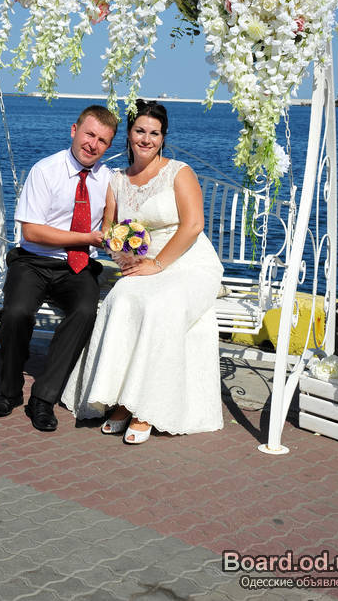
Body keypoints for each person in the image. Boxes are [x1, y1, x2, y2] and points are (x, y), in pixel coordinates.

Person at [62, 100, 224, 444]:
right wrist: (121, 253)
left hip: (188, 262)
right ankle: (119, 399)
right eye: (140, 131)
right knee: (120, 298)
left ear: (163, 138)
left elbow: (194, 225)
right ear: (129, 134)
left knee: (159, 306)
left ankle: (145, 408)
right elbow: (109, 229)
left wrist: (158, 264)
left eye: (155, 133)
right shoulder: (117, 180)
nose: (147, 139)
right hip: (144, 264)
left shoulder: (179, 172)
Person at [0, 105, 118, 432]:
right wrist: (87, 237)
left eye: (102, 140)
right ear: (74, 131)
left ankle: (43, 398)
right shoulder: (45, 171)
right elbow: (32, 232)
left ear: (108, 145)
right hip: (33, 260)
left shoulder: (109, 180)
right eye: (89, 134)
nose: (93, 145)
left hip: (78, 265)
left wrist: (128, 244)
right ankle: (9, 391)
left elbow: (112, 229)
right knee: (16, 313)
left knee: (85, 312)